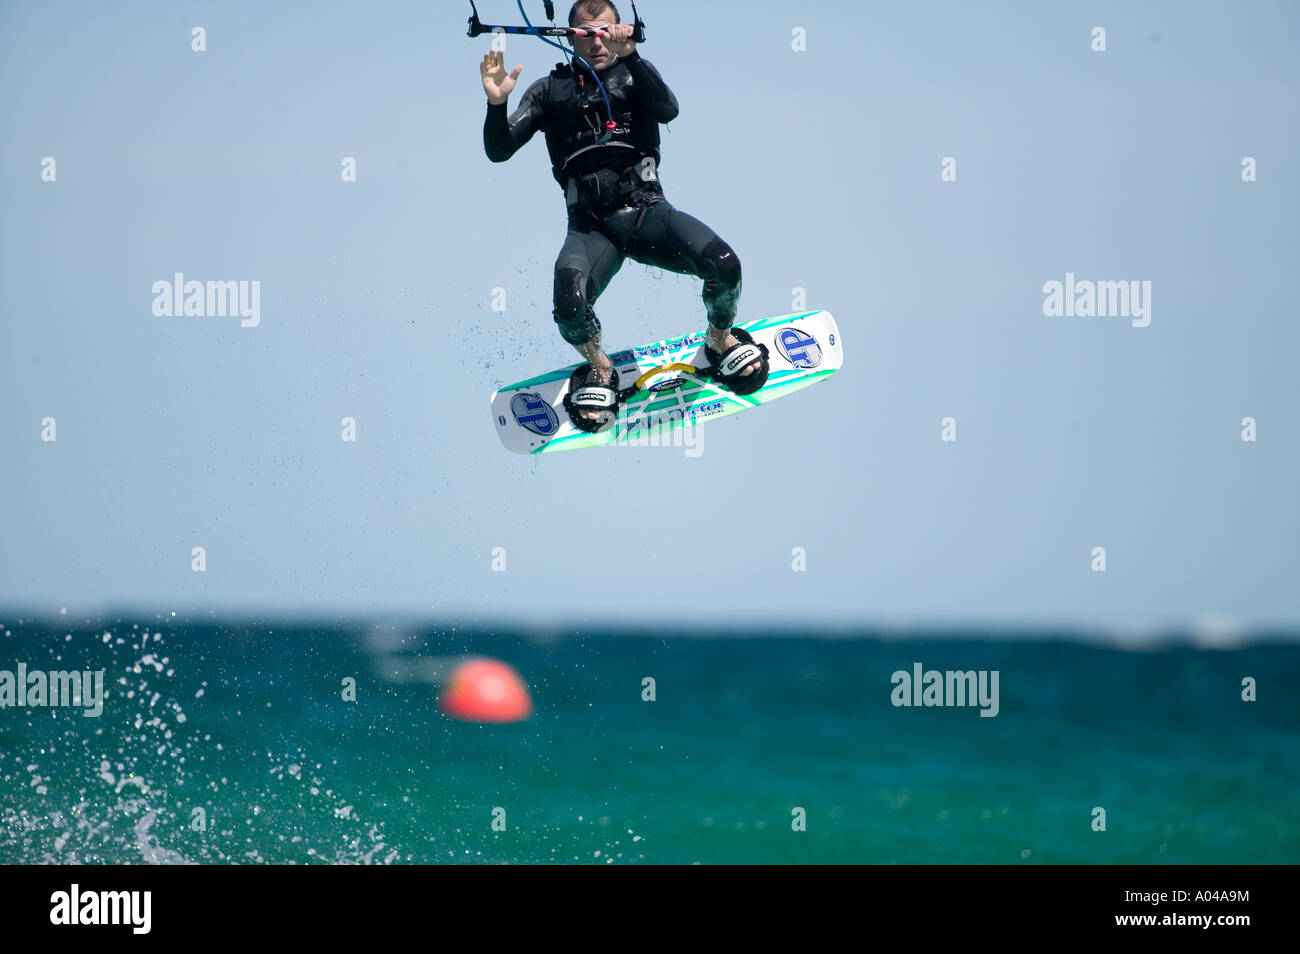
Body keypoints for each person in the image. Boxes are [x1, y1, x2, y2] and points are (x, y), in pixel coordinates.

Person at [480, 0, 768, 431]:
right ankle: (599, 367)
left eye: (606, 32)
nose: (597, 41)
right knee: (569, 304)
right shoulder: (547, 90)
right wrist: (497, 103)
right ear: (569, 36)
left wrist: (631, 54)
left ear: (620, 32)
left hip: (647, 212)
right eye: (585, 33)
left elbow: (668, 109)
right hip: (591, 228)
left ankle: (720, 339)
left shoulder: (637, 74)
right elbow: (498, 151)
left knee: (725, 265)